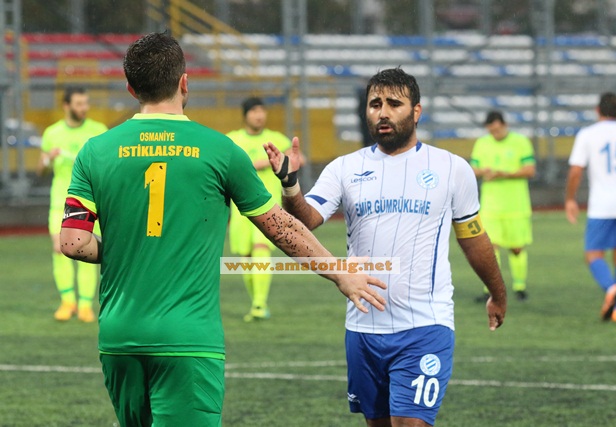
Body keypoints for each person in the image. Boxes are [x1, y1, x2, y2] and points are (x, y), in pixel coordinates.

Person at [59, 32, 386, 426]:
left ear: (131, 88)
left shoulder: (94, 151)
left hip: (119, 337)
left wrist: (130, 248)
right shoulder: (220, 149)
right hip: (188, 338)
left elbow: (73, 243)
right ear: (184, 83)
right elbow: (280, 226)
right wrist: (340, 273)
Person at [265, 67, 507, 427]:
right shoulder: (345, 168)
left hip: (426, 326)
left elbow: (473, 238)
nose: (383, 112)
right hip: (363, 328)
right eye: (375, 104)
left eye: (394, 103)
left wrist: (497, 293)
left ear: (416, 111)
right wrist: (289, 183)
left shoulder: (452, 168)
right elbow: (305, 220)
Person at [565, 92, 616, 323]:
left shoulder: (588, 134)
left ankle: (611, 287)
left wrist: (570, 199)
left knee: (593, 253)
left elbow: (576, 171)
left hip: (602, 203)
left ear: (597, 111)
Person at [37, 86, 108, 322]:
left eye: (86, 103)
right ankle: (67, 302)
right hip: (60, 201)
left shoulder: (98, 131)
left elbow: (109, 166)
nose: (84, 108)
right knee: (59, 250)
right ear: (66, 106)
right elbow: (41, 170)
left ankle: (85, 305)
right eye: (79, 104)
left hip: (90, 202)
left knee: (86, 249)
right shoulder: (52, 133)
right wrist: (48, 158)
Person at [226, 97, 292, 321]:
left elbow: (296, 158)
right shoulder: (232, 140)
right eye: (254, 111)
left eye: (262, 111)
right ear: (245, 114)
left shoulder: (277, 139)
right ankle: (256, 301)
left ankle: (259, 304)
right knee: (246, 257)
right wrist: (259, 164)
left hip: (268, 206)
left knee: (261, 248)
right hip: (240, 208)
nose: (259, 115)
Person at [470, 110, 536, 302]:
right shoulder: (482, 143)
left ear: (504, 125)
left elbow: (530, 170)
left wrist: (504, 174)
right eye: (491, 131)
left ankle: (519, 286)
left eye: (497, 130)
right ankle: (490, 290)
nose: (494, 134)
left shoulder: (520, 142)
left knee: (516, 248)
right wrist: (483, 171)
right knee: (490, 248)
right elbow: (473, 168)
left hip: (516, 205)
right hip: (491, 205)